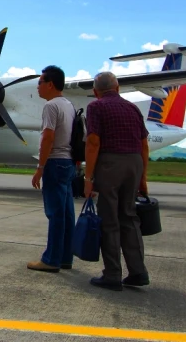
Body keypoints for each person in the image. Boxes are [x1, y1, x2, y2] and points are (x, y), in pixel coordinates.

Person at [84, 72, 149, 291]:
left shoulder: (96, 107)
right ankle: (138, 271)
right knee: (129, 217)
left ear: (95, 91)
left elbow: (93, 141)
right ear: (118, 88)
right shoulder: (133, 108)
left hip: (110, 163)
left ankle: (112, 274)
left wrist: (87, 177)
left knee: (109, 219)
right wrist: (143, 177)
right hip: (134, 162)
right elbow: (144, 144)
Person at [28, 66, 76, 273]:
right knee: (66, 212)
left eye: (39, 82)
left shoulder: (50, 106)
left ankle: (51, 259)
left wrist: (40, 166)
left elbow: (48, 136)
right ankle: (65, 257)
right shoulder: (69, 105)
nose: (37, 87)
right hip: (68, 162)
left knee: (55, 213)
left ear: (50, 84)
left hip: (55, 162)